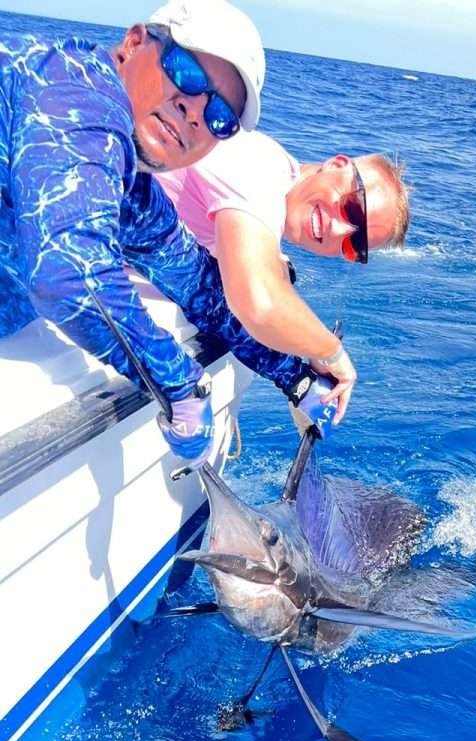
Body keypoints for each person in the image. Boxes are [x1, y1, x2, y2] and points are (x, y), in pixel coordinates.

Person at [0, 0, 321, 462]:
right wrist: (179, 385)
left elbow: (200, 289)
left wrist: (297, 377)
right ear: (133, 43)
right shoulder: (74, 88)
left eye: (219, 117)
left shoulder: (128, 185)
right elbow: (69, 275)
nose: (194, 112)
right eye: (187, 73)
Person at [158, 132, 411, 422]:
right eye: (351, 209)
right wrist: (331, 352)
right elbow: (260, 303)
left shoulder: (268, 200)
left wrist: (307, 347)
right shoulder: (263, 170)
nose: (338, 230)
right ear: (336, 165)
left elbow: (268, 282)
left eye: (353, 244)